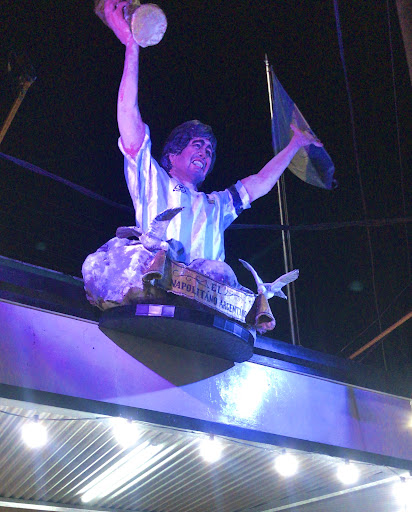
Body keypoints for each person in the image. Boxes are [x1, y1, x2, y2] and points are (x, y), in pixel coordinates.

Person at [103, 0, 323, 268]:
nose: (204, 153)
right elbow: (128, 112)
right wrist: (132, 47)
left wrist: (295, 144)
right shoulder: (152, 179)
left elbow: (261, 181)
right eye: (197, 145)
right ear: (171, 155)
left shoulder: (218, 205)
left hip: (206, 294)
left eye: (209, 151)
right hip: (156, 289)